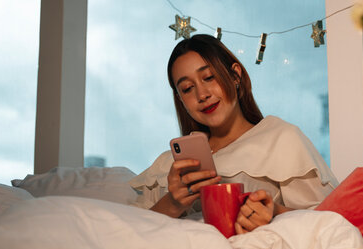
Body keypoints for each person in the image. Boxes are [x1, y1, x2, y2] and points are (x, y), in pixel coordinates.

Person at [130, 34, 338, 235]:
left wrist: (275, 212)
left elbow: (330, 222)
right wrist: (173, 204)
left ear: (235, 75)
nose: (202, 95)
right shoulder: (169, 164)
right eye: (187, 88)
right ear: (180, 100)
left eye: (209, 78)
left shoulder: (281, 139)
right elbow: (129, 236)